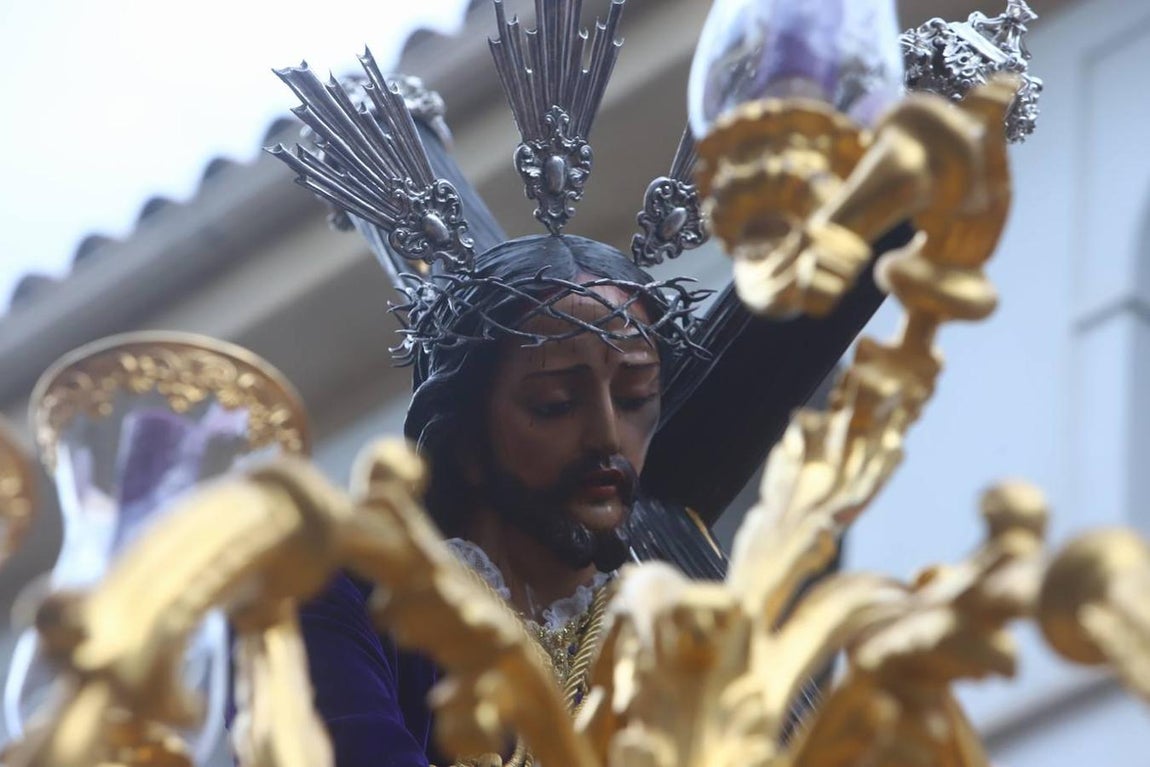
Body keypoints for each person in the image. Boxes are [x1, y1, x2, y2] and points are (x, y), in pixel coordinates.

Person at [268, 1, 910, 764]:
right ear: (465, 437)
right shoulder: (355, 594)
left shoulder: (681, 637)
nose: (608, 434)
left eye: (637, 397)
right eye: (554, 402)